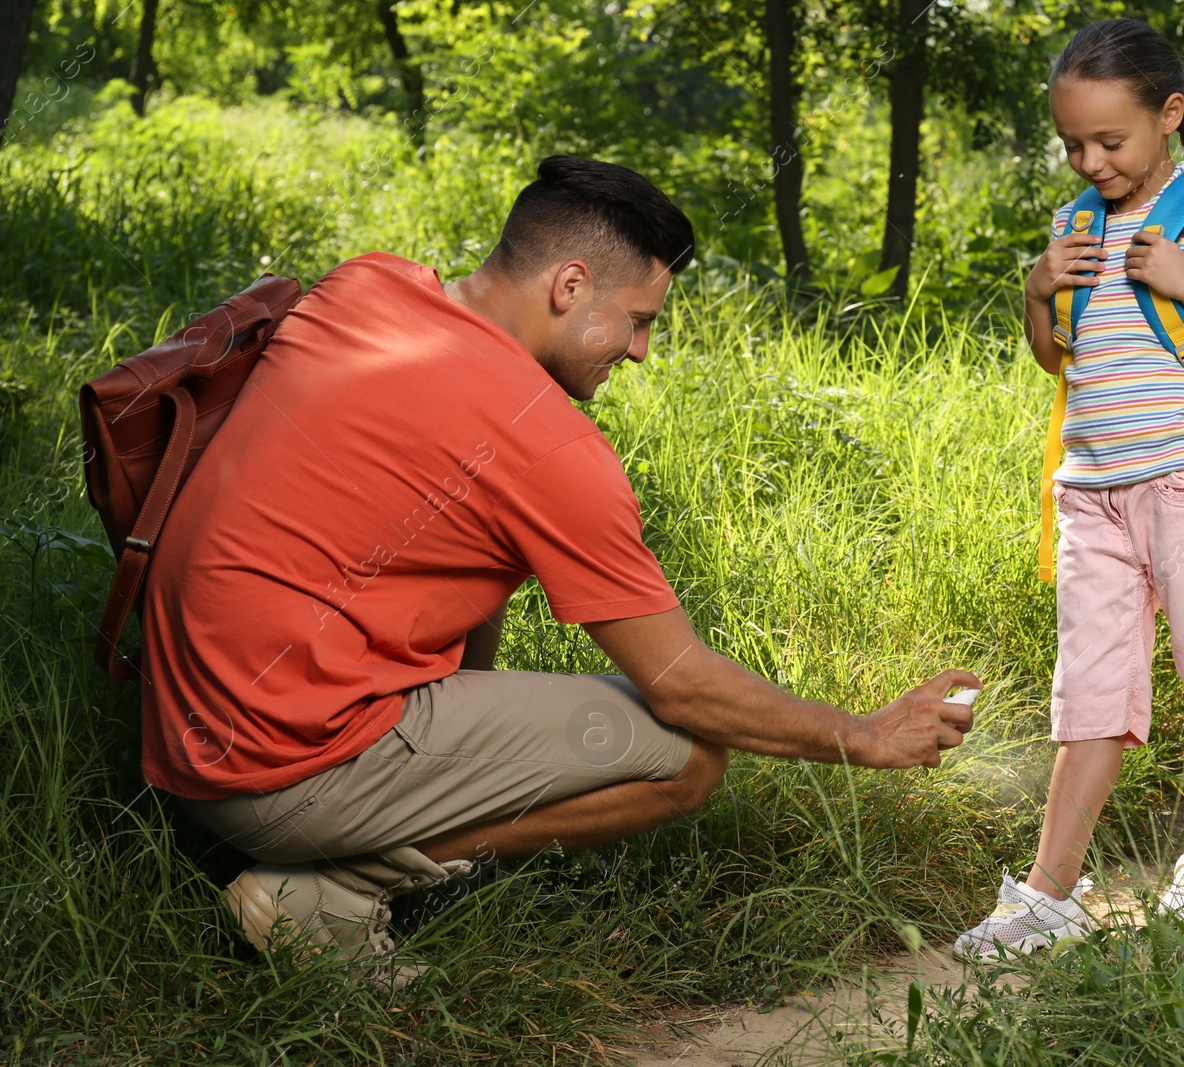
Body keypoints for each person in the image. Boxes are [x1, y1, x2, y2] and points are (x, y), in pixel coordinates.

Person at [138, 155, 980, 983]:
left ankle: (346, 839)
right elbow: (681, 683)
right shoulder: (547, 444)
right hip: (277, 776)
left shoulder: (367, 285)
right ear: (569, 287)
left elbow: (440, 548)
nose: (643, 350)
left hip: (181, 736)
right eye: (639, 319)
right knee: (688, 753)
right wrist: (864, 735)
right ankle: (331, 889)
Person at [953, 19, 1184, 960]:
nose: (1090, 161)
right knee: (1091, 692)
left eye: (1110, 141)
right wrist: (1035, 294)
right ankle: (1049, 893)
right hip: (1091, 492)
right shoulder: (1072, 225)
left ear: (1169, 117)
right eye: (1073, 143)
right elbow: (1057, 360)